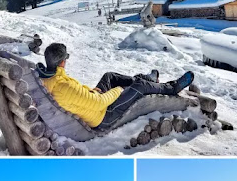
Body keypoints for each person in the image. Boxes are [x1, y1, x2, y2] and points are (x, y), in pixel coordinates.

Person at [37, 42, 194, 130]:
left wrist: (91, 91)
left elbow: (76, 96)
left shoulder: (53, 79)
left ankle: (148, 79)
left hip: (94, 105)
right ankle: (171, 87)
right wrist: (118, 91)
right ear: (62, 61)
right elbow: (98, 103)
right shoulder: (63, 86)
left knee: (109, 76)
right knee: (139, 87)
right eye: (67, 57)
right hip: (104, 115)